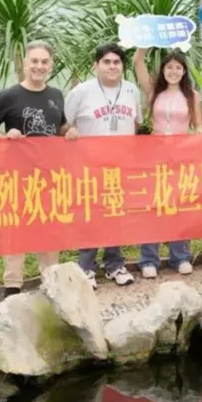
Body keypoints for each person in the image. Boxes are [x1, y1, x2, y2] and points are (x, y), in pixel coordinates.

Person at [0, 41, 67, 296]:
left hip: (50, 174)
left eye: (44, 62)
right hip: (17, 174)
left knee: (50, 228)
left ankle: (51, 281)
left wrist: (69, 130)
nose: (39, 66)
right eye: (34, 61)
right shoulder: (10, 95)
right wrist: (5, 137)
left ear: (50, 65)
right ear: (25, 64)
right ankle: (12, 286)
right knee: (16, 229)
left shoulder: (56, 95)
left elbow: (59, 126)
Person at [67, 43, 141, 287]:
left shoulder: (131, 91)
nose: (112, 66)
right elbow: (65, 125)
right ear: (95, 65)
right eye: (106, 62)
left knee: (115, 214)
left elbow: (136, 124)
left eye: (117, 62)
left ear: (123, 66)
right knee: (90, 214)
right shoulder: (81, 92)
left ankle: (114, 265)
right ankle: (85, 267)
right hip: (89, 166)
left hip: (121, 166)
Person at [133, 47, 202, 276]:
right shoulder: (153, 91)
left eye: (178, 68)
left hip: (181, 158)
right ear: (163, 70)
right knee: (152, 205)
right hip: (155, 156)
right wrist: (143, 44)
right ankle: (148, 260)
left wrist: (201, 139)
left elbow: (199, 126)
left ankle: (180, 256)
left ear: (184, 72)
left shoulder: (192, 95)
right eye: (169, 67)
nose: (173, 71)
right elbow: (138, 63)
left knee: (180, 205)